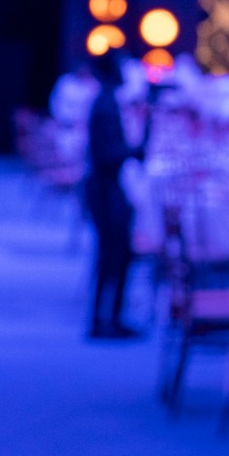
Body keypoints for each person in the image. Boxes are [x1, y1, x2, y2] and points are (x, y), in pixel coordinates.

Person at [84, 51, 146, 340]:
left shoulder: (107, 102)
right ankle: (103, 320)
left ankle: (107, 318)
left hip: (106, 187)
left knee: (115, 255)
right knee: (113, 254)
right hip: (105, 188)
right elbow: (105, 155)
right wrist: (134, 150)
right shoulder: (106, 106)